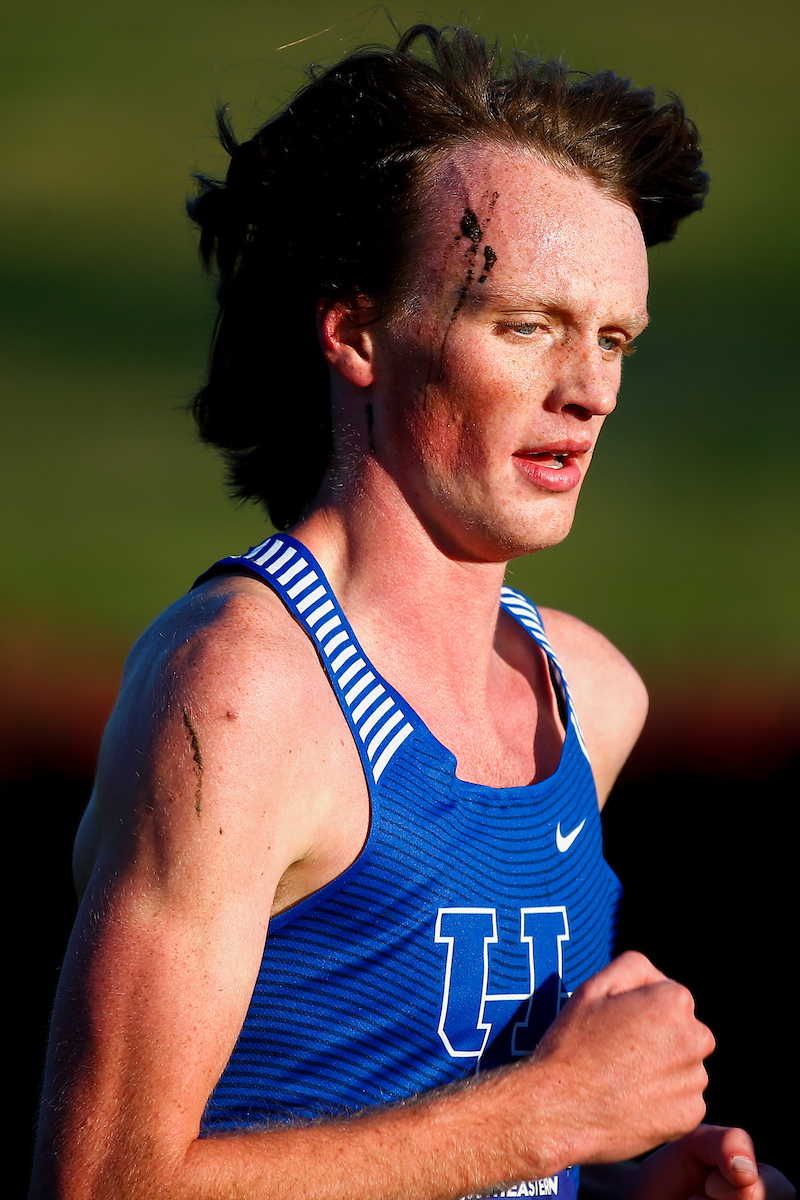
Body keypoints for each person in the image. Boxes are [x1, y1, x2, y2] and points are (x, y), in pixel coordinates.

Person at [29, 25, 793, 1200]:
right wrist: (549, 1115)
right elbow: (101, 1184)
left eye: (613, 339)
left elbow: (447, 1135)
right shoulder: (245, 695)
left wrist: (626, 1189)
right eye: (525, 326)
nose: (589, 390)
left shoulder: (587, 699)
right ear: (357, 334)